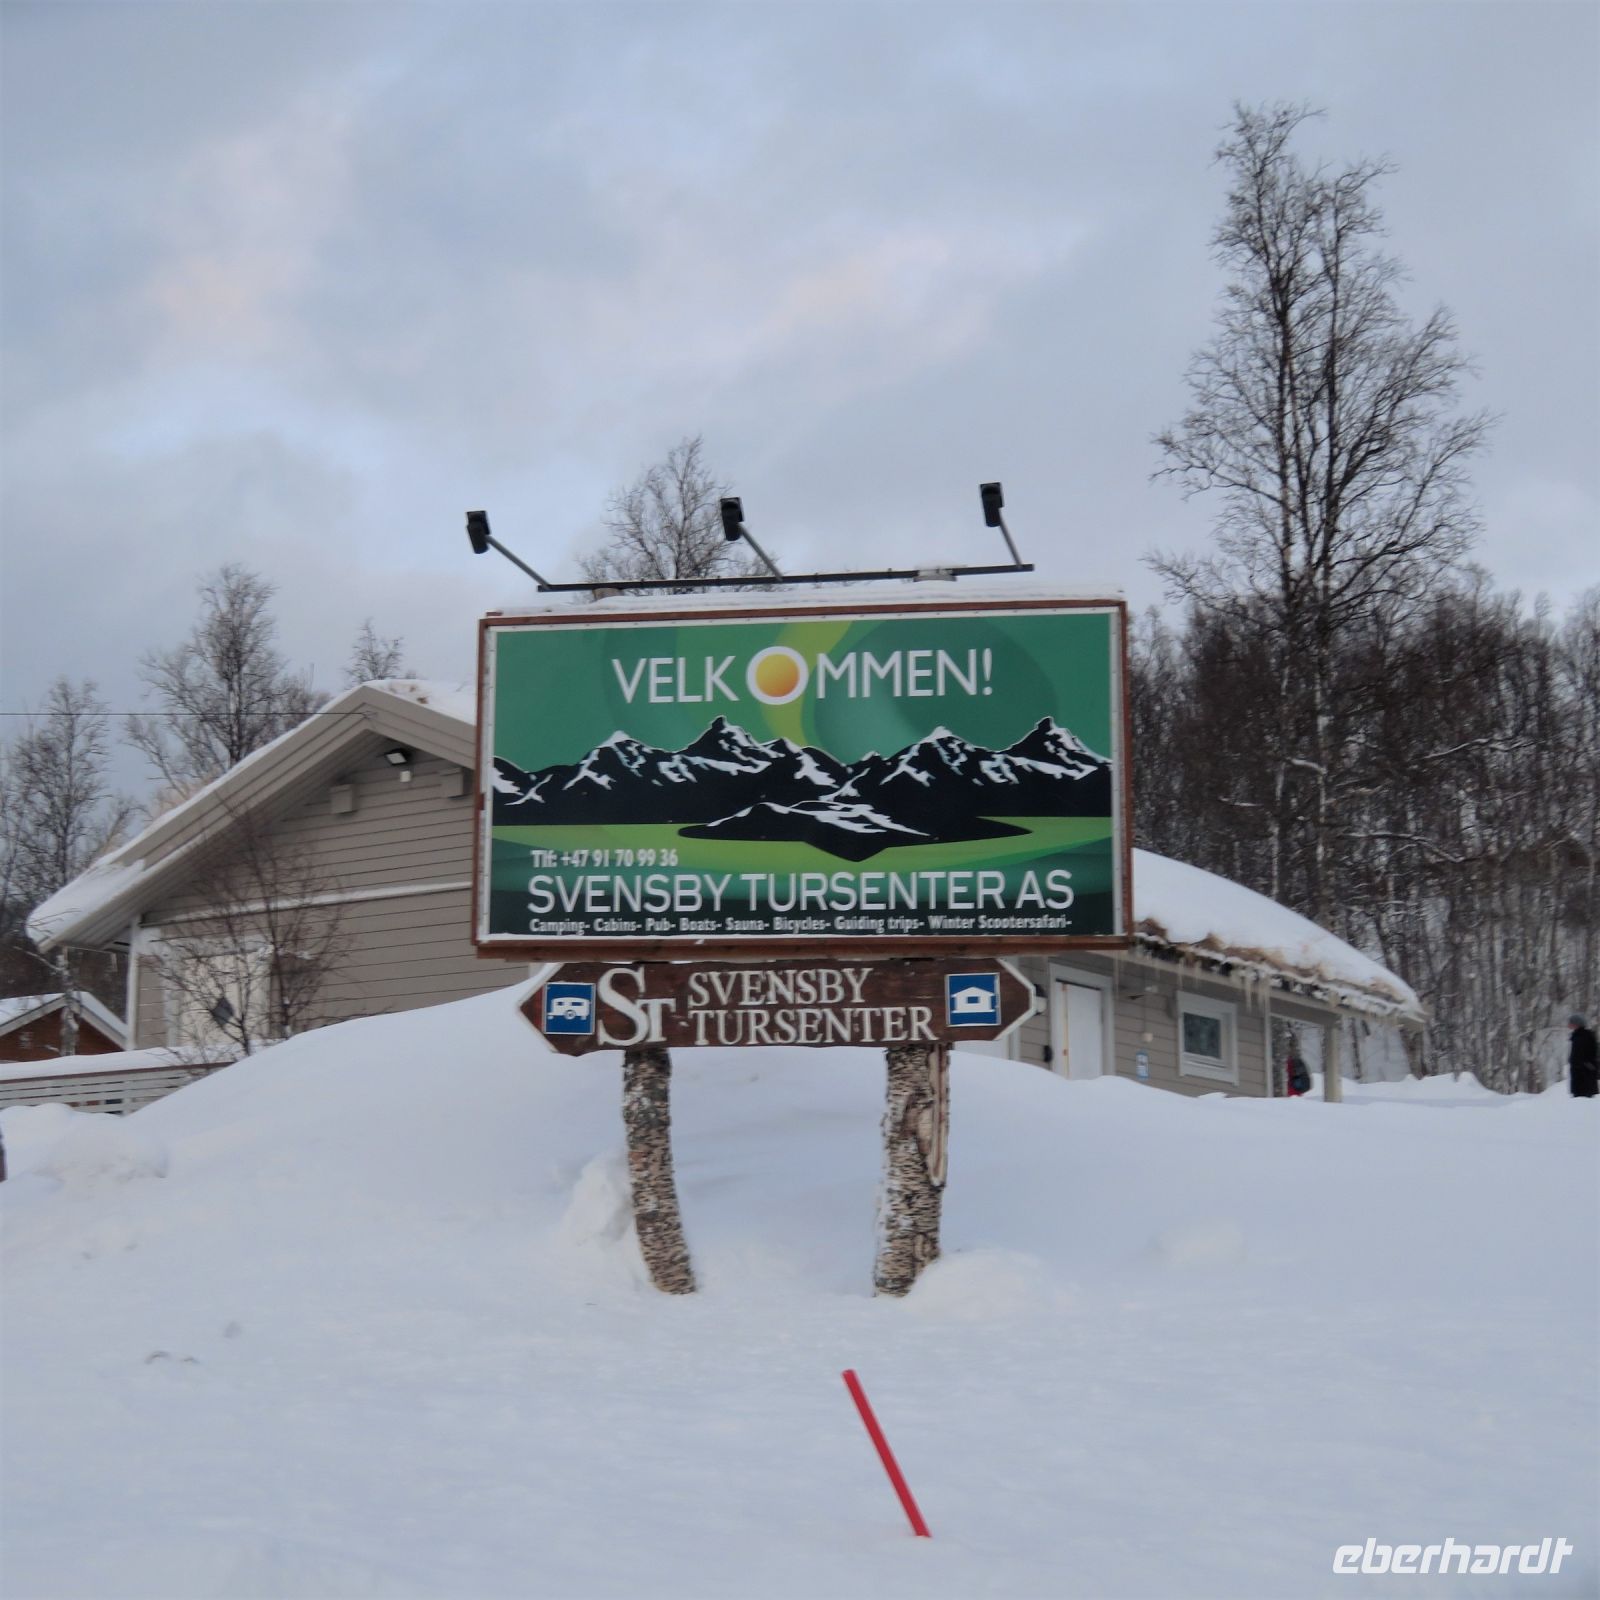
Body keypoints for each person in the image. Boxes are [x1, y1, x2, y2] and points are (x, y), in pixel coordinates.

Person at [1568, 1014, 1598, 1098]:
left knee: (1583, 1100)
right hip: (1581, 1074)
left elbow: (1581, 1055)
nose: (1569, 1024)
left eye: (1571, 1022)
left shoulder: (1582, 1036)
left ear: (1577, 1024)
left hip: (1584, 1075)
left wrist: (1581, 1065)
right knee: (1580, 1100)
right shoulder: (1579, 1035)